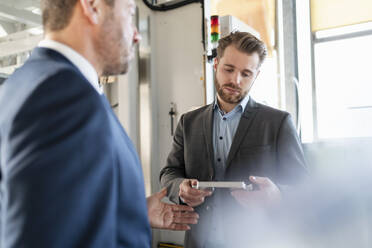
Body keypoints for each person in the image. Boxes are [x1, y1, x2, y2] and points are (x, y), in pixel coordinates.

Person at [0, 0, 198, 247]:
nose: (136, 35)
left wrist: (128, 211)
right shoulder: (62, 98)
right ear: (92, 6)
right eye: (129, 13)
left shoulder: (31, 83)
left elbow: (61, 213)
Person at [159, 31, 308, 248]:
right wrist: (180, 187)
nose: (235, 80)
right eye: (229, 69)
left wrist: (278, 195)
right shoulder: (188, 122)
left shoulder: (278, 122)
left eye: (246, 73)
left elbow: (303, 188)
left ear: (256, 75)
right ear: (216, 64)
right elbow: (169, 173)